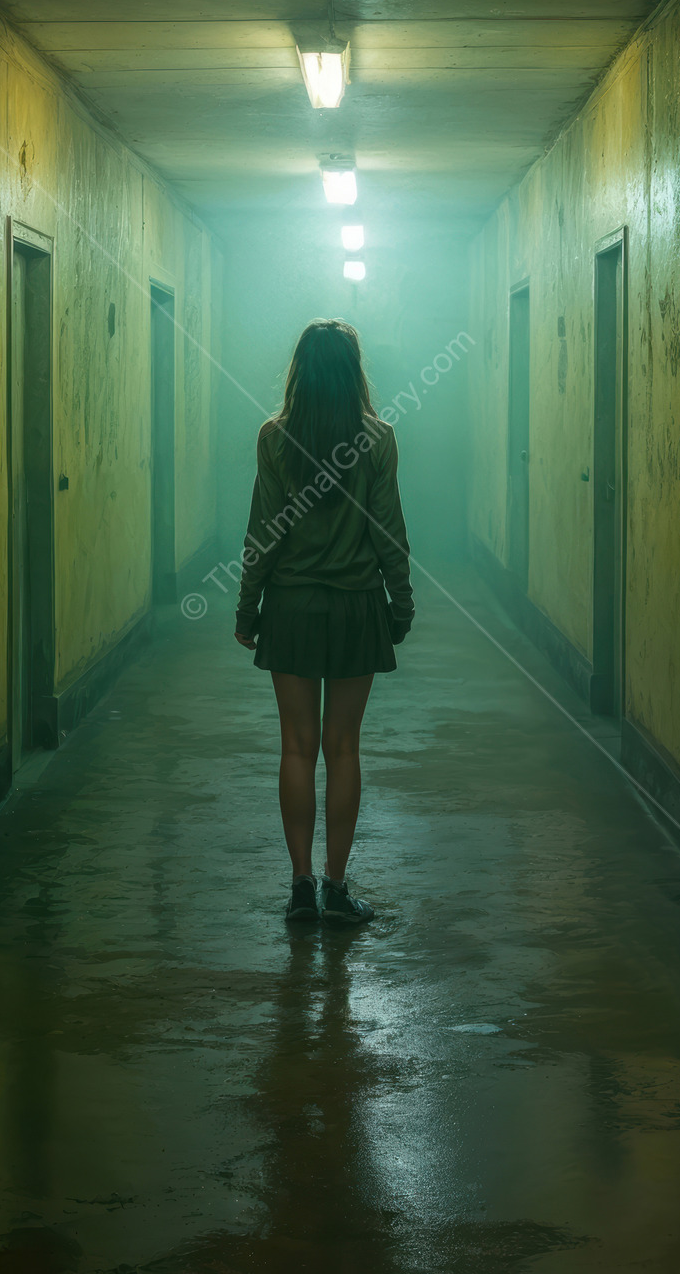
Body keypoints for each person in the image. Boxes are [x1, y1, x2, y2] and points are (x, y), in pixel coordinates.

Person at [235, 319, 414, 925]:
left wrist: (246, 605)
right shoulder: (379, 439)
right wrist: (401, 601)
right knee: (343, 749)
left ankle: (301, 890)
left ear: (299, 373)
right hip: (357, 604)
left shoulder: (275, 438)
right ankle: (338, 892)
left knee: (296, 748)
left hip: (290, 607)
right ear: (354, 371)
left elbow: (263, 530)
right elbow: (388, 529)